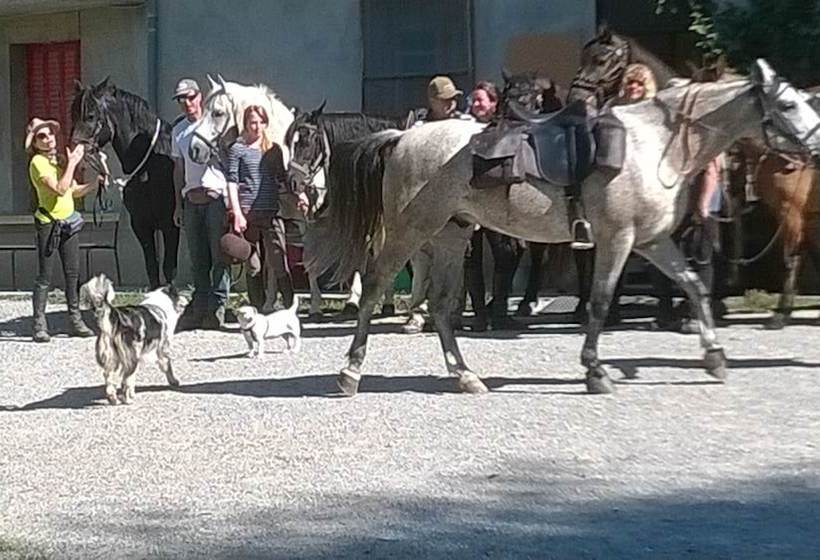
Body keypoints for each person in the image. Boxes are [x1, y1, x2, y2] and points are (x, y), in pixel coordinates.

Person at [403, 75, 466, 334]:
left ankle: (453, 311)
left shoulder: (465, 125)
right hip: (426, 205)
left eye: (453, 99)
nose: (451, 104)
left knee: (453, 262)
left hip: (457, 207)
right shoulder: (418, 127)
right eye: (445, 100)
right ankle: (417, 312)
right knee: (421, 262)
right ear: (433, 101)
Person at [26, 117, 97, 342]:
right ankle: (39, 323)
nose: (48, 139)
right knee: (45, 276)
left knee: (72, 274)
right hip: (48, 224)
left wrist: (95, 184)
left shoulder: (58, 161)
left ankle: (75, 320)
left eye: (50, 134)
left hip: (68, 222)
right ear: (35, 143)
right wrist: (73, 163)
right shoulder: (38, 163)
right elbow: (59, 189)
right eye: (42, 136)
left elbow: (73, 191)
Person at [462, 81, 523, 330]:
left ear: (494, 103)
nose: (477, 105)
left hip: (497, 202)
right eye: (474, 100)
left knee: (507, 254)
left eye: (482, 100)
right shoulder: (463, 129)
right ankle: (478, 314)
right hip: (469, 201)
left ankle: (499, 310)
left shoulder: (505, 129)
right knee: (471, 259)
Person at [171, 78, 230, 330]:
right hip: (191, 200)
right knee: (198, 258)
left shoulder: (215, 123)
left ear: (200, 97)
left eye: (191, 97)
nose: (187, 103)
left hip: (214, 198)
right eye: (181, 99)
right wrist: (177, 204)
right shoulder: (178, 131)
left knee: (219, 256)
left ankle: (218, 306)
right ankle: (201, 304)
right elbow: (178, 169)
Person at [225, 104, 296, 312]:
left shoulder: (273, 150)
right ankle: (257, 307)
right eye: (252, 122)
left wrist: (299, 196)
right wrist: (237, 212)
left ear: (265, 124)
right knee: (253, 264)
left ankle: (290, 307)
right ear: (245, 125)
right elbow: (232, 181)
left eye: (259, 122)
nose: (256, 127)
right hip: (248, 214)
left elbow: (282, 179)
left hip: (271, 213)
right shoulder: (237, 149)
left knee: (279, 261)